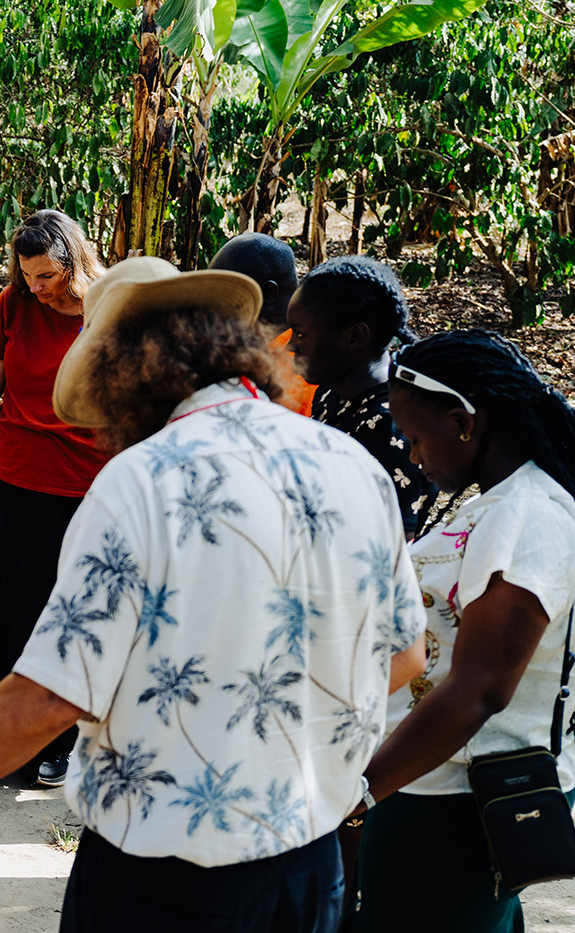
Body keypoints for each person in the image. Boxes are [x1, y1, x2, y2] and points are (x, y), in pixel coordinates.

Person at [0, 256, 426, 933]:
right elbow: (405, 657)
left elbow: (53, 692)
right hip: (308, 864)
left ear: (125, 374)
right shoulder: (349, 465)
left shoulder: (141, 482)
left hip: (164, 875)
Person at [347, 331, 575, 931]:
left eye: (417, 436)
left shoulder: (528, 517)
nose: (413, 454)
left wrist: (361, 791)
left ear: (463, 421)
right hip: (429, 783)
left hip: (458, 800)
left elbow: (482, 686)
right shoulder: (500, 503)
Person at [0, 210, 108, 787]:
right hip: (10, 473)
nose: (37, 288)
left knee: (58, 616)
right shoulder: (13, 303)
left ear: (76, 263)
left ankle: (56, 740)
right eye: (27, 275)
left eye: (49, 277)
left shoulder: (110, 309)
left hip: (81, 486)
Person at [286, 256, 435, 535]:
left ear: (355, 336)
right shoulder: (332, 393)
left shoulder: (390, 426)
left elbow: (394, 545)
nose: (290, 346)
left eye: (301, 335)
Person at [211, 233, 315, 415]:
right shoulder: (249, 349)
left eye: (226, 296)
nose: (216, 309)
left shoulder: (307, 368)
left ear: (267, 294)